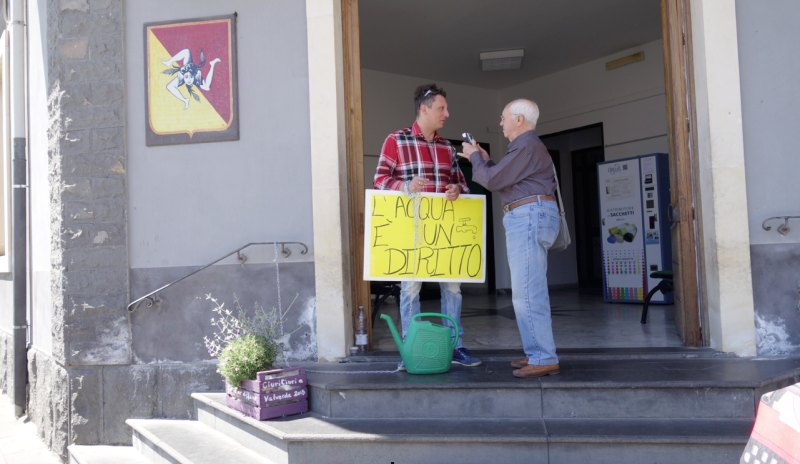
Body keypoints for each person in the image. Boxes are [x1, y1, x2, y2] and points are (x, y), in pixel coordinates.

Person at [373, 83, 482, 370]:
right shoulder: (395, 140)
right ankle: (411, 347)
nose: (447, 113)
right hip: (410, 231)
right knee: (410, 289)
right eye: (441, 108)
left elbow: (462, 184)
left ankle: (455, 347)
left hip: (445, 233)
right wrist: (405, 185)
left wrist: (457, 188)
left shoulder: (448, 147)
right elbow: (379, 180)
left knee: (453, 289)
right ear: (424, 109)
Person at [458, 99, 560, 378]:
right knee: (528, 290)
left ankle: (543, 357)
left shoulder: (527, 145)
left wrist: (475, 158)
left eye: (503, 118)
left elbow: (490, 182)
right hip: (532, 214)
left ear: (518, 119)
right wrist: (483, 159)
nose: (500, 123)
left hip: (528, 215)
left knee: (527, 292)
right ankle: (536, 352)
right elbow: (500, 177)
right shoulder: (527, 147)